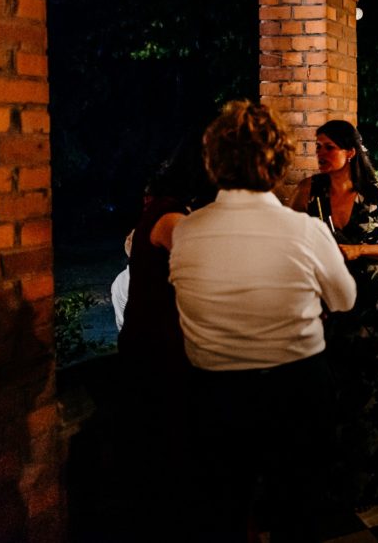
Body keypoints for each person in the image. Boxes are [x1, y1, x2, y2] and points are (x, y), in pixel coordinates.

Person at [169, 101, 357, 542]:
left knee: (225, 508)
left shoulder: (187, 231)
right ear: (276, 160)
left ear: (212, 159)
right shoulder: (304, 231)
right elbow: (344, 298)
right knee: (299, 508)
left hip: (214, 392)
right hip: (296, 388)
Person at [290, 119, 378, 508]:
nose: (322, 154)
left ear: (350, 152)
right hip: (333, 307)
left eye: (330, 147)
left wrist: (359, 250)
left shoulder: (376, 193)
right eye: (319, 146)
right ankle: (343, 477)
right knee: (341, 391)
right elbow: (291, 240)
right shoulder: (308, 192)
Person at [115, 133, 215, 535]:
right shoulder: (172, 219)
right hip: (161, 353)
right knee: (171, 450)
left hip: (158, 347)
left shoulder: (168, 211)